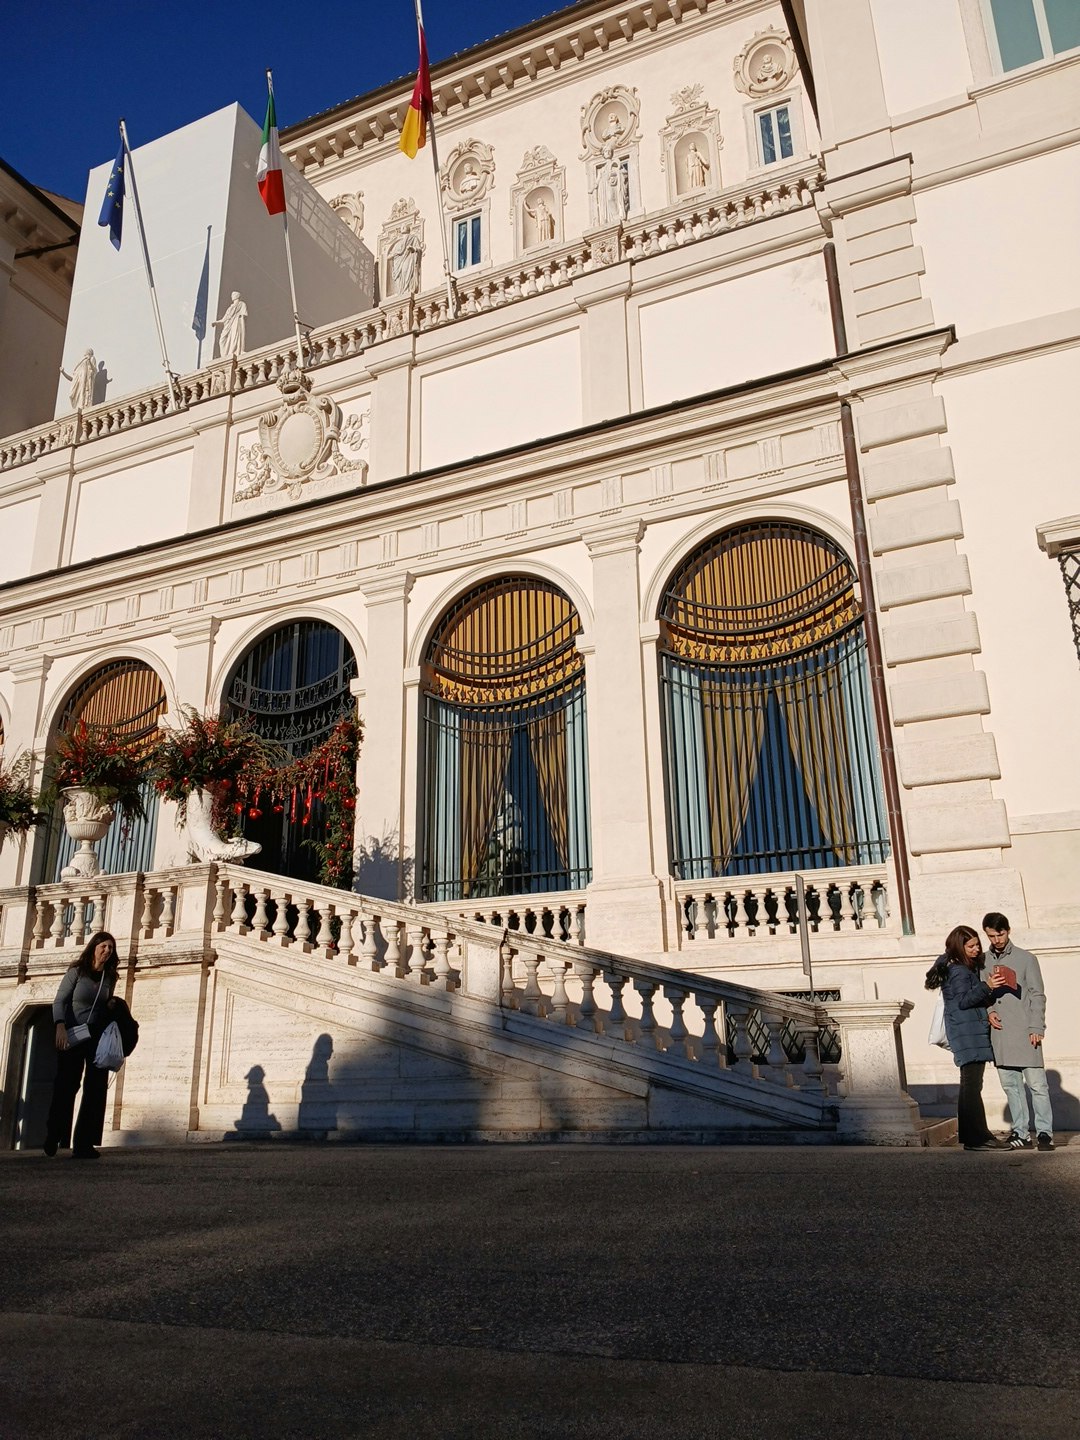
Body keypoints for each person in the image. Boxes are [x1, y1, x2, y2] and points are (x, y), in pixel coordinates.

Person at [925, 925, 1009, 1151]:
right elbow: (963, 1001)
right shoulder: (960, 971)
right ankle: (979, 1137)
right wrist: (987, 986)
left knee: (969, 1086)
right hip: (968, 1033)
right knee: (972, 1086)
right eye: (970, 946)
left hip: (965, 1032)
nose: (976, 949)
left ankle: (972, 1138)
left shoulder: (954, 967)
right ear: (958, 947)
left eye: (977, 944)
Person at [982, 911, 1054, 1151]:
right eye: (991, 936)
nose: (996, 940)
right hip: (1001, 1032)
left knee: (1037, 1085)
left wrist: (1036, 1025)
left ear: (1008, 930)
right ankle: (1021, 1132)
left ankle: (1044, 1133)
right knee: (1011, 1086)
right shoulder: (983, 961)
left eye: (1000, 934)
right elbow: (982, 995)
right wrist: (990, 1010)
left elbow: (1037, 994)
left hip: (1025, 1030)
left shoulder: (1026, 958)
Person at [44, 932, 118, 1160]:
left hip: (95, 1035)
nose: (107, 951)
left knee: (95, 1089)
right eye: (103, 946)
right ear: (94, 947)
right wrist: (60, 1025)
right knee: (67, 1085)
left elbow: (105, 1004)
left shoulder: (109, 977)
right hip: (72, 1034)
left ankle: (84, 1143)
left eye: (111, 948)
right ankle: (54, 1133)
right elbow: (60, 1001)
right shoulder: (76, 971)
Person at [213, 291, 248, 359]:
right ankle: (224, 356)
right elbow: (224, 319)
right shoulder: (230, 308)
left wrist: (240, 319)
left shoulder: (242, 304)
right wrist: (216, 322)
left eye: (233, 295)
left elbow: (244, 315)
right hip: (228, 325)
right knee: (222, 340)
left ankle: (235, 351)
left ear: (237, 296)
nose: (232, 296)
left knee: (235, 338)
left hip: (236, 323)